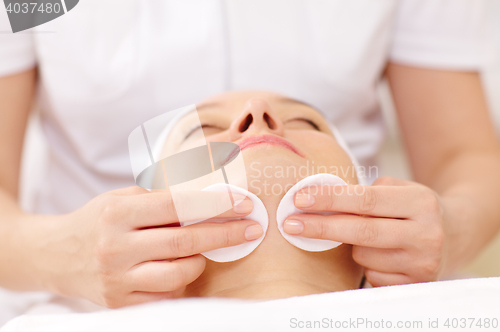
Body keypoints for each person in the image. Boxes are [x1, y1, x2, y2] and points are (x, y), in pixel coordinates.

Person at [1, 0, 499, 309]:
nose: (257, 112)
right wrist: (55, 251)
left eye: (307, 121)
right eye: (204, 131)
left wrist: (452, 226)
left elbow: (464, 153)